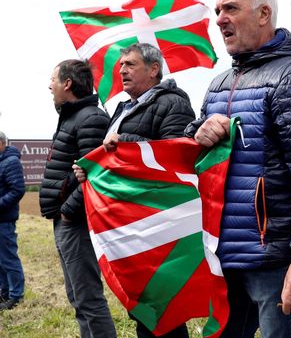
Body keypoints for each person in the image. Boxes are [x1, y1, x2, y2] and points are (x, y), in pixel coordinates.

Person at [184, 0, 291, 338]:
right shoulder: (218, 84)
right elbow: (197, 155)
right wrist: (197, 133)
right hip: (225, 258)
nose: (219, 18)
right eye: (218, 10)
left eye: (230, 8)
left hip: (274, 261)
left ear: (264, 13)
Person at [74, 42, 196, 338]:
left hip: (155, 225)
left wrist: (124, 141)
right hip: (126, 224)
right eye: (120, 65)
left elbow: (177, 159)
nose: (122, 70)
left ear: (154, 69)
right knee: (143, 309)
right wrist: (89, 170)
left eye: (130, 64)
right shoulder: (122, 108)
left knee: (162, 314)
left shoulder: (173, 104)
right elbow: (110, 158)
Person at [39, 59, 117, 337]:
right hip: (65, 220)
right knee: (78, 299)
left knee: (89, 299)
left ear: (67, 84)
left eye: (53, 79)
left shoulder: (91, 118)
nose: (49, 86)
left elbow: (97, 175)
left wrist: (69, 211)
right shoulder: (73, 117)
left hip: (77, 222)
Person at [0, 131, 25, 311]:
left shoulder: (11, 161)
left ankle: (16, 295)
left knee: (8, 258)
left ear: (2, 143)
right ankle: (4, 293)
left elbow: (17, 190)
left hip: (4, 219)